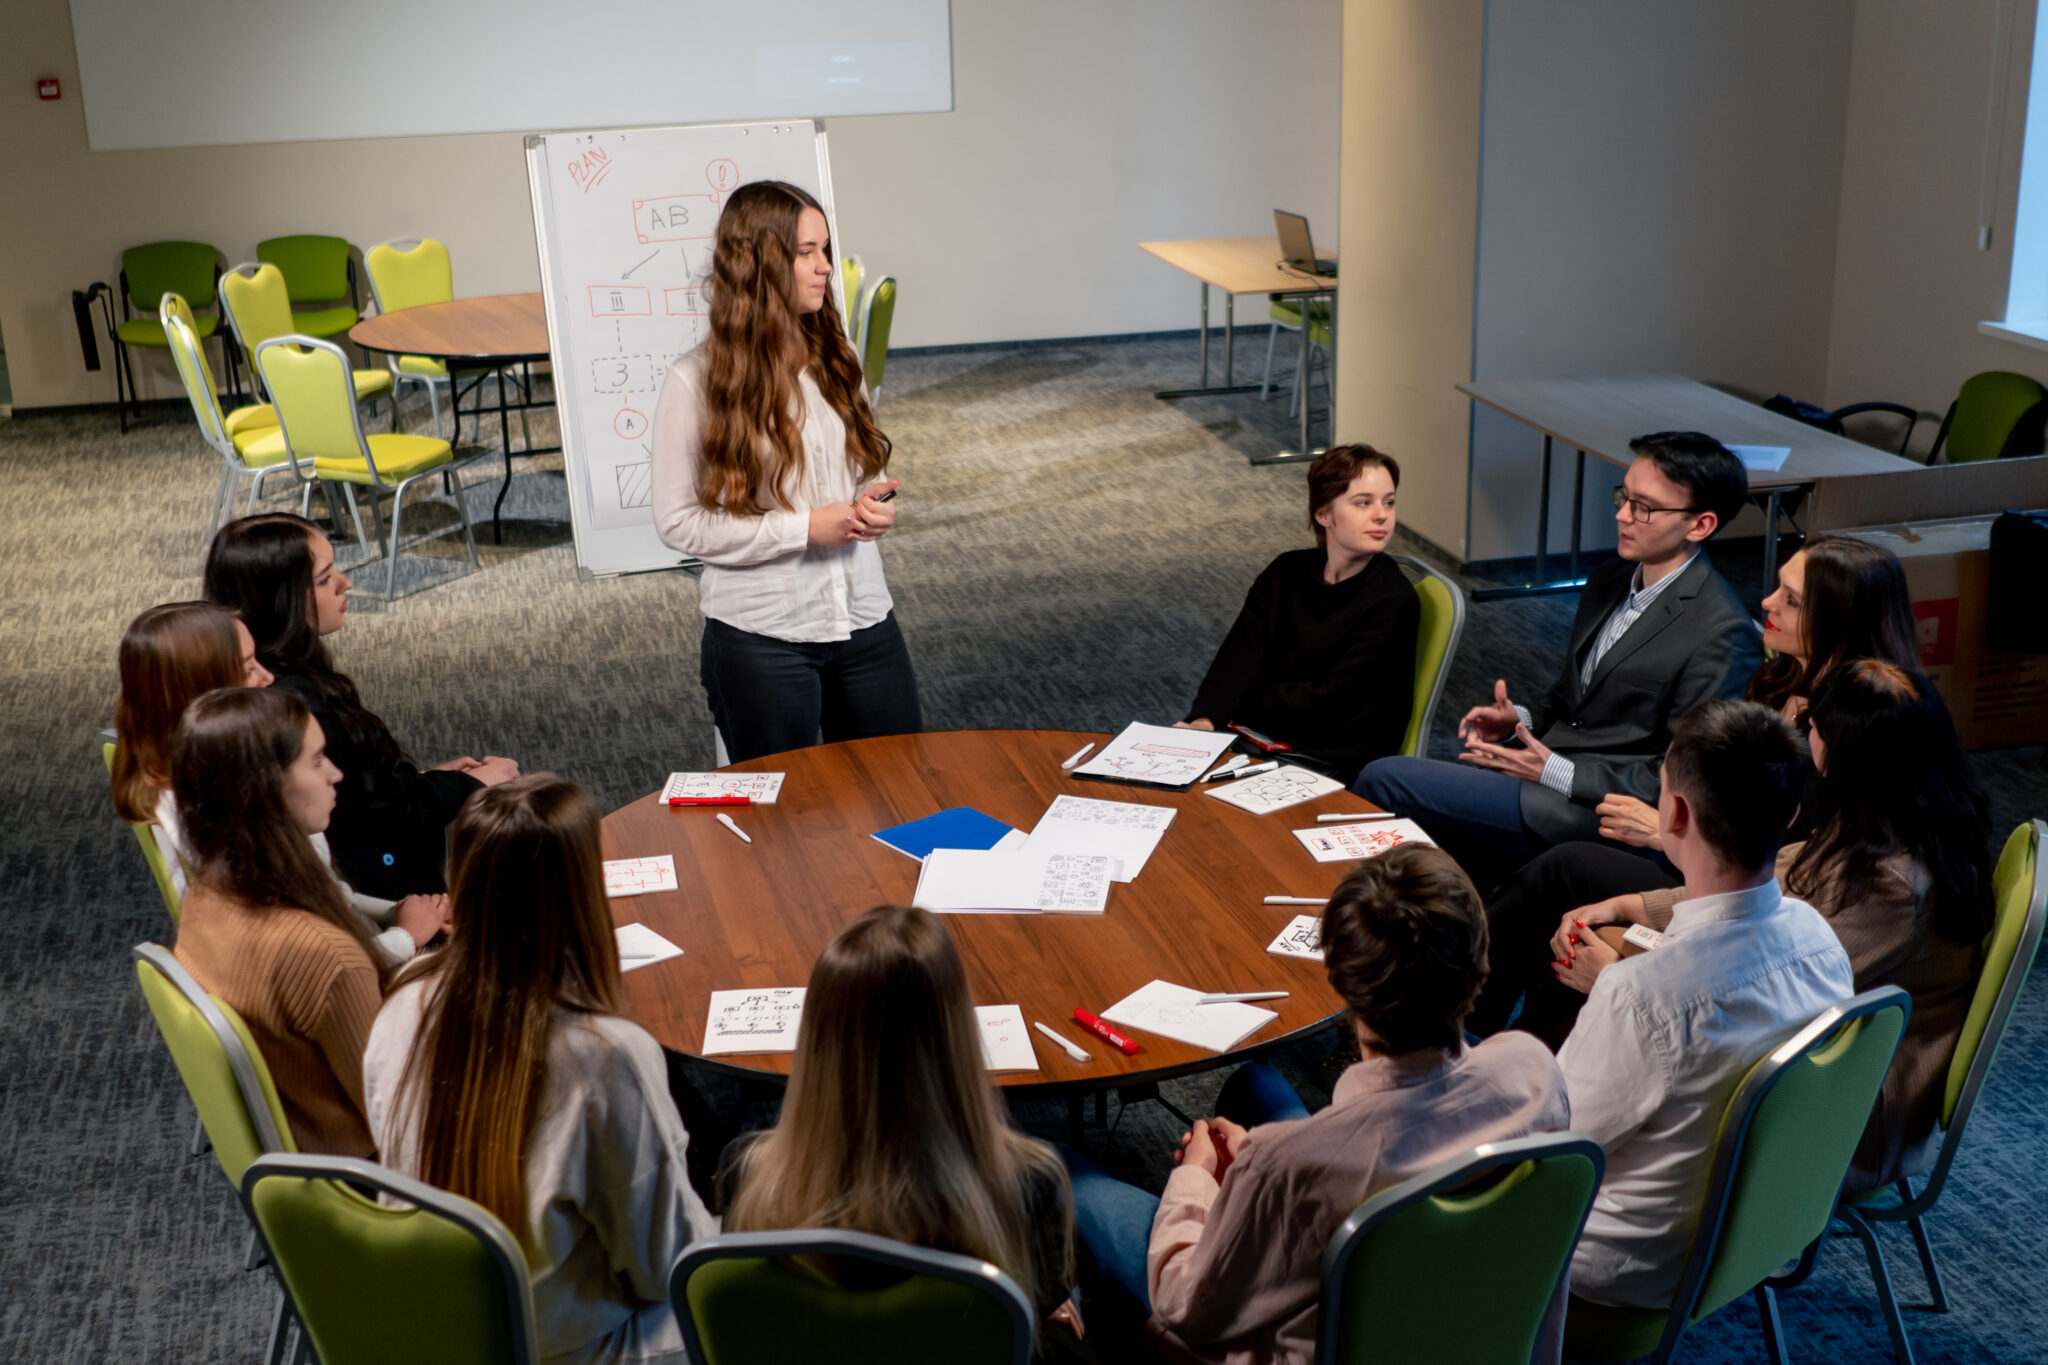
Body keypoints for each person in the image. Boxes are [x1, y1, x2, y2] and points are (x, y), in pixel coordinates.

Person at [1061, 845, 1570, 1365]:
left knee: (1059, 1171)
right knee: (1256, 1084)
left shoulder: (1287, 1165)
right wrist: (1262, 1166)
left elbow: (1187, 1308)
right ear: (1480, 962)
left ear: (1342, 983)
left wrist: (1196, 1182)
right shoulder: (1536, 1073)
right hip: (1471, 1333)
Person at [1552, 662, 1989, 1190]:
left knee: (1618, 1083)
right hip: (1797, 1059)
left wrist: (1620, 972)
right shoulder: (1898, 814)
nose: (1807, 734)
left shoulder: (1894, 884)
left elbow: (1765, 997)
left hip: (1837, 1111)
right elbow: (1773, 880)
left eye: (1817, 727)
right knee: (1590, 913)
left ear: (1847, 755)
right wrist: (1635, 908)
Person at [1471, 535, 1921, 1037]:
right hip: (1729, 862)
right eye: (1777, 588)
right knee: (1571, 893)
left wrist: (1665, 846)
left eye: (1791, 600)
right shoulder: (1783, 677)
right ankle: (1494, 1042)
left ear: (1840, 619)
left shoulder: (1865, 735)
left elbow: (1785, 906)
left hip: (1754, 894)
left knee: (1568, 882)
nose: (1767, 601)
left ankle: (1477, 1038)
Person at [364, 775, 716, 1365]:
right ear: (583, 891)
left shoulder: (404, 998)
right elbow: (667, 1269)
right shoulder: (606, 1054)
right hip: (566, 1344)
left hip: (448, 1318)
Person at [1557, 700, 1852, 1313]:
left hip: (1612, 1274)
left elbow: (1549, 1147)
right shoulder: (1821, 941)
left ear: (1678, 812)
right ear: (1792, 815)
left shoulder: (1642, 997)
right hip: (1742, 1240)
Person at [1354, 432, 1759, 876]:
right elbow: (1573, 700)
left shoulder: (1722, 632)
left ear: (1700, 525)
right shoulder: (1610, 578)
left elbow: (1682, 774)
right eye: (1623, 496)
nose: (1622, 515)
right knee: (1433, 820)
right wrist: (1520, 723)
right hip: (1543, 776)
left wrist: (1556, 772)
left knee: (1385, 777)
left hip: (1590, 812)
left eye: (1643, 508)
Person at [720, 904, 1087, 1359]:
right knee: (1064, 1315)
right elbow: (1043, 1297)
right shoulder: (1031, 1184)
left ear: (817, 1039)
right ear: (957, 1036)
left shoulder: (747, 1174)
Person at [649, 179, 921, 763]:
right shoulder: (693, 381)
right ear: (761, 265)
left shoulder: (838, 358)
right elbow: (677, 525)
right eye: (807, 254)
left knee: (899, 789)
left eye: (826, 249)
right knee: (781, 824)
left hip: (864, 615)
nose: (826, 267)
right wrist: (801, 530)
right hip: (762, 636)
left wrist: (864, 505)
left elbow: (844, 481)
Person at [204, 512, 520, 899]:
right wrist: (466, 784)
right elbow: (371, 816)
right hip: (383, 886)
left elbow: (363, 790)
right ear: (279, 601)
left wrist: (428, 780)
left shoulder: (283, 672)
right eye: (324, 580)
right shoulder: (295, 708)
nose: (345, 583)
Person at [110, 600, 446, 963]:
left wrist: (399, 913)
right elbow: (329, 967)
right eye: (246, 668)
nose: (268, 677)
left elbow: (332, 898)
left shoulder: (171, 780)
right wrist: (406, 936)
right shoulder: (242, 827)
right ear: (206, 694)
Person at [171, 687, 387, 1157]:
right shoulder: (325, 957)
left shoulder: (206, 894)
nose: (336, 774)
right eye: (316, 761)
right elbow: (397, 1117)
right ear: (265, 788)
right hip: (377, 1177)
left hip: (299, 1158)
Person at [1176, 444, 1420, 783]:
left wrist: (1244, 707)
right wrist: (1205, 719)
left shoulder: (1392, 600)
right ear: (1324, 514)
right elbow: (1240, 655)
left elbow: (1330, 703)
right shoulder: (1285, 572)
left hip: (1332, 759)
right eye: (1363, 502)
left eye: (1389, 502)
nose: (1382, 514)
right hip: (1264, 736)